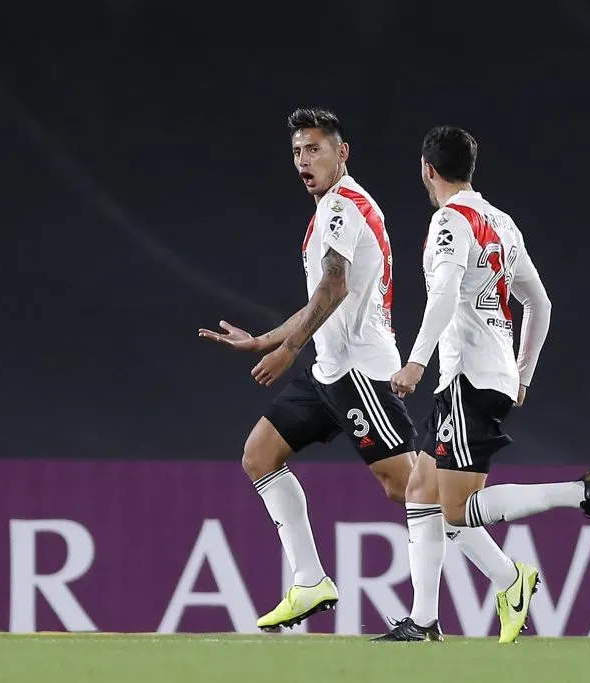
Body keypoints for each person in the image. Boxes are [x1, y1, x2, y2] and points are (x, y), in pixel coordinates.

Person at [198, 109, 516, 636]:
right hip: (328, 371)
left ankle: (504, 577)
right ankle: (309, 580)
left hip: (360, 375)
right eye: (298, 151)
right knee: (260, 454)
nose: (304, 160)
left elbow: (334, 287)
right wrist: (264, 340)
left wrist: (287, 352)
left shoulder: (344, 208)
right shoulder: (328, 211)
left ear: (342, 153)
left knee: (415, 489)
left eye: (316, 150)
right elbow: (319, 304)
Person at [375, 126, 590, 644]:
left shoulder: (450, 220)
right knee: (420, 491)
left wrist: (416, 361)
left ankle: (579, 494)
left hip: (467, 376)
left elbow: (445, 293)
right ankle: (425, 619)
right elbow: (540, 303)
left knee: (458, 509)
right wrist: (523, 374)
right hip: (480, 377)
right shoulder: (503, 223)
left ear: (427, 169)